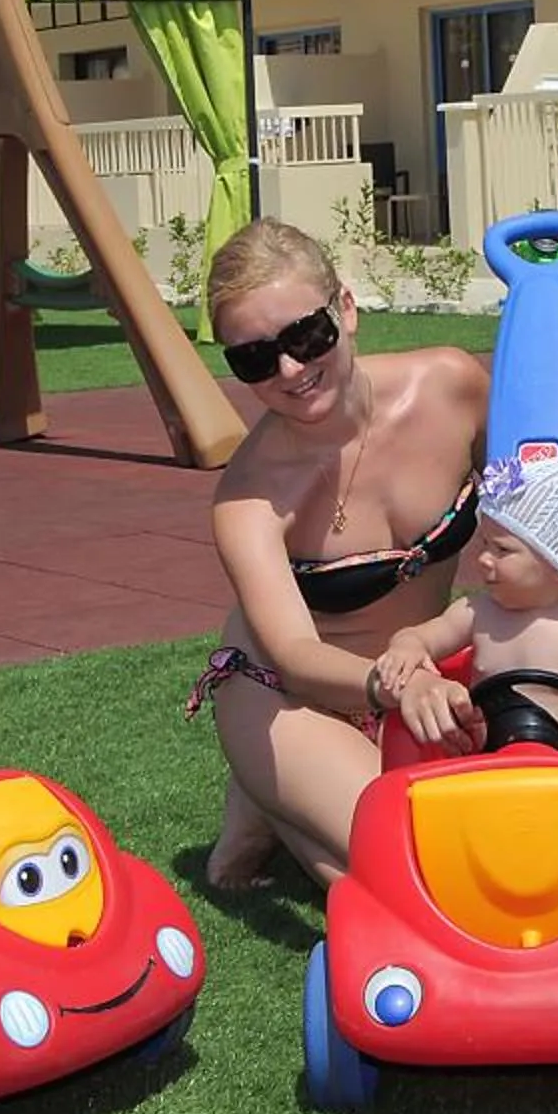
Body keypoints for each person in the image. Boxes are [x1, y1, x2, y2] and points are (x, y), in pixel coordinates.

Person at [188, 219, 491, 888]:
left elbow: (527, 507)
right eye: (255, 359)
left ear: (345, 310)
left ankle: (274, 805)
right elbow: (296, 655)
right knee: (421, 873)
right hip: (285, 695)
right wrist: (399, 686)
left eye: (305, 336)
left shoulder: (453, 387)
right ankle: (275, 789)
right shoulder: (247, 498)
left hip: (425, 678)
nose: (290, 370)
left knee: (496, 842)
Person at [376, 454, 558, 753]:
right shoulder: (477, 612)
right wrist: (407, 646)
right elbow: (423, 636)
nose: (483, 559)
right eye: (484, 544)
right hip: (488, 768)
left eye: (502, 550)